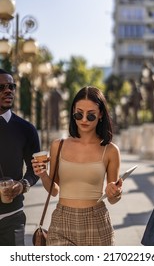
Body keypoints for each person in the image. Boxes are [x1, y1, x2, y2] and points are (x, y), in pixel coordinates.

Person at [32, 86, 123, 246]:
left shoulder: (110, 150)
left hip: (97, 223)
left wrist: (114, 192)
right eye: (79, 113)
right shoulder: (58, 146)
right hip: (62, 221)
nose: (84, 120)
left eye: (91, 115)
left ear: (101, 114)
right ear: (72, 111)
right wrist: (43, 175)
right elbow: (54, 191)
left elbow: (113, 199)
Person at [0, 68, 40, 246]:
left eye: (11, 86)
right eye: (1, 87)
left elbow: (35, 169)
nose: (8, 90)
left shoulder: (26, 129)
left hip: (13, 216)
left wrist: (22, 185)